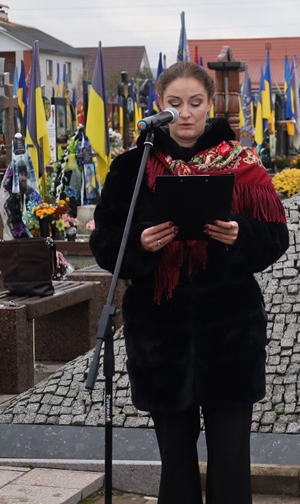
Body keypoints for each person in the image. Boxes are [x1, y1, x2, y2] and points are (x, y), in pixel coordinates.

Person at [90, 61, 289, 503]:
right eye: (174, 104)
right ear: (159, 107)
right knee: (175, 465)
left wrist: (241, 234)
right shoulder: (133, 166)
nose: (185, 114)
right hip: (162, 338)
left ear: (210, 104)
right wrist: (140, 244)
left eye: (195, 103)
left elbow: (277, 238)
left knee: (231, 463)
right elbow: (106, 243)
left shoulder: (243, 163)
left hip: (230, 334)